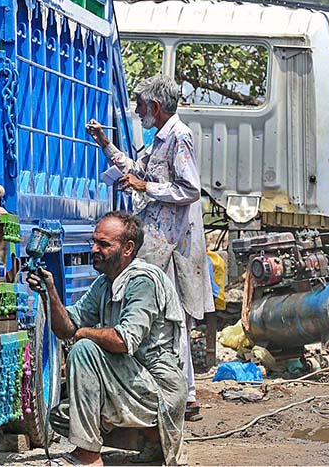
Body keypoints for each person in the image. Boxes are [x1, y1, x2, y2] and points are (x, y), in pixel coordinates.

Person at [86, 74, 214, 422]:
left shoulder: (179, 136)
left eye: (141, 105)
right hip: (158, 244)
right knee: (163, 317)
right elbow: (135, 169)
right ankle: (176, 394)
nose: (138, 111)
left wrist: (146, 187)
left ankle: (185, 396)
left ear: (155, 107)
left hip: (175, 245)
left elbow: (189, 190)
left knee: (175, 319)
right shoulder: (159, 140)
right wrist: (105, 144)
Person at [27, 212, 187, 466]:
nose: (94, 249)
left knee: (84, 349)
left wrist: (82, 334)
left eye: (103, 244)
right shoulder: (105, 283)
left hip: (157, 387)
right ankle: (152, 441)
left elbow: (124, 340)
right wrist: (50, 292)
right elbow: (67, 327)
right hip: (130, 381)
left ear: (128, 248)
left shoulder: (142, 281)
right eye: (94, 242)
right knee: (62, 417)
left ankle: (89, 456)